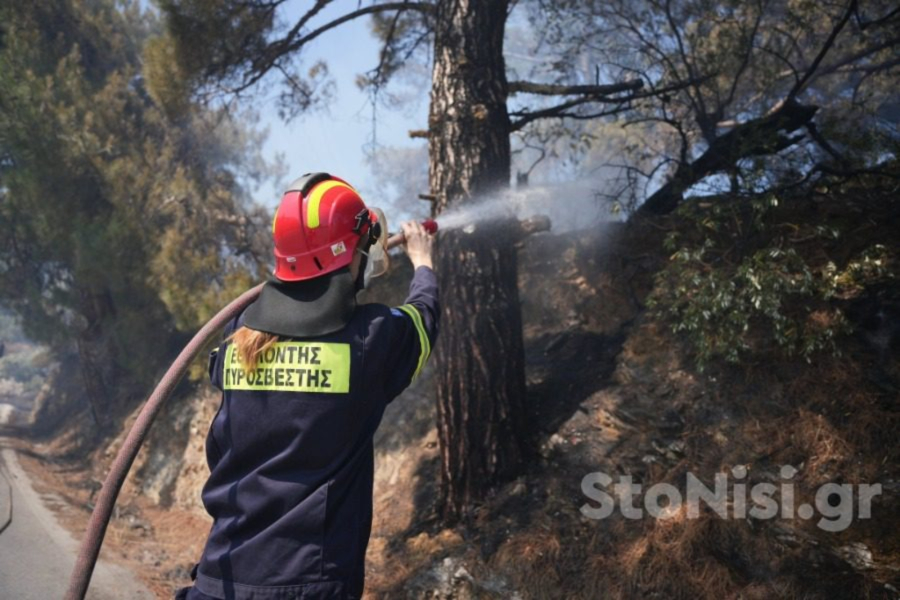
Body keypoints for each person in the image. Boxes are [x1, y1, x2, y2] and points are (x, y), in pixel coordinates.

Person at [177, 173, 439, 600]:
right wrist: (423, 261)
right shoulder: (370, 340)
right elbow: (423, 318)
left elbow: (220, 449)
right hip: (306, 587)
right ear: (350, 255)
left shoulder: (239, 331)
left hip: (220, 578)